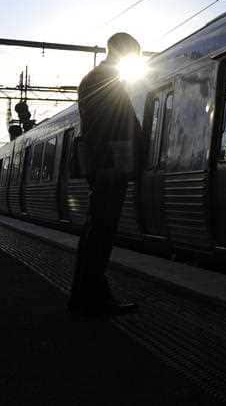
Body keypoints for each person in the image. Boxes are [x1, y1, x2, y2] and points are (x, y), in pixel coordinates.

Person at [68, 32, 142, 317]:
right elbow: (106, 128)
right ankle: (91, 299)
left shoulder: (98, 79)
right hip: (108, 166)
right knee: (100, 232)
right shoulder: (103, 81)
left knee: (97, 232)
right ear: (123, 51)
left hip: (105, 163)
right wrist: (112, 165)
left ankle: (88, 296)